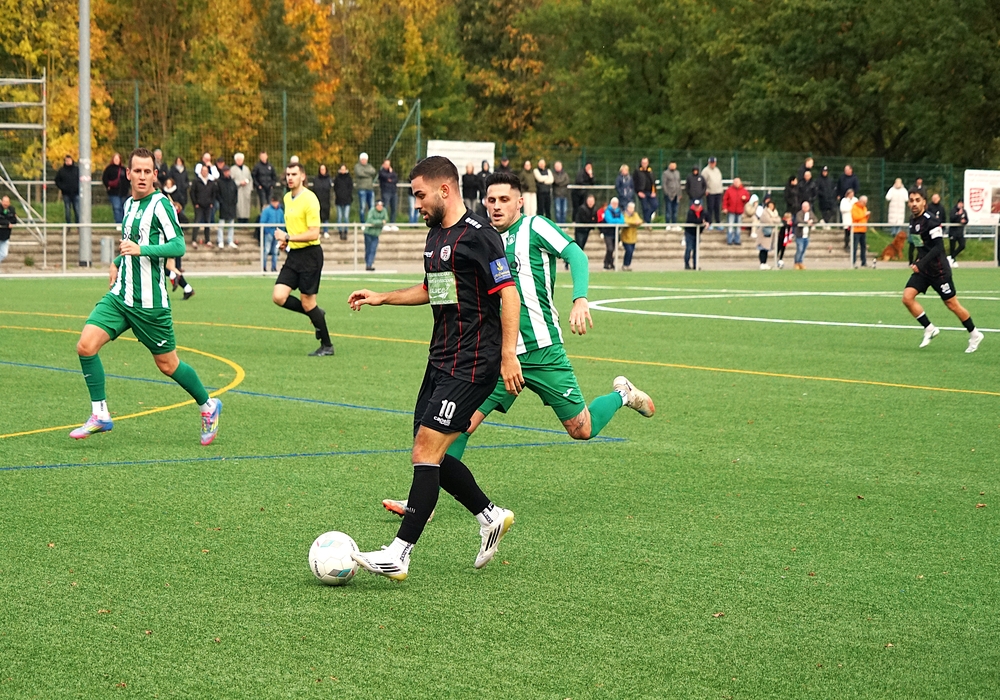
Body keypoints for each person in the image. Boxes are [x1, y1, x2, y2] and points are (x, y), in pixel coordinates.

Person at [381, 171, 654, 522]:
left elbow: (577, 256)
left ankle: (622, 394)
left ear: (520, 202)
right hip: (496, 354)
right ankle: (423, 502)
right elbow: (441, 289)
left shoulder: (535, 227)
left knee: (581, 428)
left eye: (504, 200)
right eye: (491, 200)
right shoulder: (479, 235)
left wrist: (580, 298)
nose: (496, 206)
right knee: (459, 424)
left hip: (542, 350)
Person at [346, 155, 523, 581]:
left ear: (445, 189)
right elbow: (433, 290)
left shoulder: (481, 235)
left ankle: (399, 553)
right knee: (429, 454)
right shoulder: (435, 235)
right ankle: (490, 515)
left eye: (420, 195)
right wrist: (382, 297)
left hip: (473, 361)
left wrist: (508, 355)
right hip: (441, 357)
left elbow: (509, 293)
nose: (416, 204)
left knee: (426, 451)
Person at [69, 147, 221, 445]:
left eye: (147, 171)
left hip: (150, 304)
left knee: (168, 365)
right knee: (85, 346)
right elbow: (131, 242)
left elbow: (178, 246)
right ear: (128, 174)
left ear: (154, 174)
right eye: (136, 170)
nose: (141, 176)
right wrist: (116, 262)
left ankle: (208, 405)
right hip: (120, 296)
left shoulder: (161, 204)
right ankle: (100, 414)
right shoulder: (129, 204)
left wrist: (142, 250)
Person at [902, 190, 983, 353]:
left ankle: (975, 334)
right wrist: (917, 261)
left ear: (924, 202)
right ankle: (929, 328)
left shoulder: (932, 221)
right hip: (924, 271)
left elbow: (938, 247)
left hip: (939, 271)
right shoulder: (912, 220)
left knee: (952, 304)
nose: (914, 203)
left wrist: (921, 263)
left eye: (917, 200)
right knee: (907, 298)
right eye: (911, 200)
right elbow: (921, 246)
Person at [272, 162, 334, 356]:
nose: (290, 178)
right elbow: (295, 228)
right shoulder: (287, 198)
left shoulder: (310, 199)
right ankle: (316, 314)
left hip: (310, 256)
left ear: (303, 177)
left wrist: (287, 237)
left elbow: (314, 233)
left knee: (307, 302)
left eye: (294, 174)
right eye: (288, 174)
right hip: (294, 255)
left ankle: (327, 345)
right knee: (278, 296)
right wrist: (286, 242)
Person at [166, 199, 195, 300]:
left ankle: (173, 276)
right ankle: (188, 289)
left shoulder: (170, 214)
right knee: (170, 267)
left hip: (170, 242)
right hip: (171, 242)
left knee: (163, 266)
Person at [189, 161, 218, 249]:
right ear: (201, 171)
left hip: (208, 205)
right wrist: (195, 203)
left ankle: (207, 240)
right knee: (197, 222)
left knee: (207, 223)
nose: (204, 172)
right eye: (203, 170)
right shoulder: (196, 181)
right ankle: (194, 240)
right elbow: (192, 192)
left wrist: (212, 203)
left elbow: (214, 193)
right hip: (199, 205)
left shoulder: (211, 182)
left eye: (206, 171)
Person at [259, 194, 284, 272]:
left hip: (277, 234)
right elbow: (262, 222)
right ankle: (264, 267)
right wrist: (267, 231)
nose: (275, 203)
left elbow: (282, 222)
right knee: (266, 250)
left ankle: (274, 267)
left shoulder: (280, 211)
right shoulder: (267, 210)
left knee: (275, 251)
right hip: (269, 233)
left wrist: (282, 233)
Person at [102, 153, 129, 224]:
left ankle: (123, 223)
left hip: (123, 192)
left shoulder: (123, 169)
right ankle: (118, 223)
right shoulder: (109, 169)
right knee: (116, 207)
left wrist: (127, 188)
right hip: (113, 192)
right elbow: (105, 178)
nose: (116, 160)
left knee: (123, 208)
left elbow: (128, 180)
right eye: (115, 159)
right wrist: (108, 185)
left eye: (118, 159)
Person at [684, 199, 710, 270]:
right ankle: (686, 264)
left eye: (698, 205)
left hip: (697, 234)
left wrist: (708, 223)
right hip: (689, 233)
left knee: (696, 250)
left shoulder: (704, 212)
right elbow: (692, 220)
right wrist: (702, 221)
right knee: (689, 248)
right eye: (695, 205)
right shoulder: (690, 212)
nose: (696, 207)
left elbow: (709, 219)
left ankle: (696, 265)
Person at [216, 166, 239, 248]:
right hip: (223, 206)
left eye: (228, 171)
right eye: (225, 171)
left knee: (231, 225)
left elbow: (235, 193)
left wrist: (234, 202)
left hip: (231, 206)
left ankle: (230, 241)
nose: (227, 173)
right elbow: (217, 193)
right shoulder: (219, 182)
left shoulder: (232, 182)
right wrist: (221, 202)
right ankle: (220, 241)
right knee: (221, 224)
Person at [723, 177, 750, 245]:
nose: (736, 183)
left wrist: (745, 198)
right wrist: (725, 208)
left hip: (739, 211)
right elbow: (725, 199)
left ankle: (737, 240)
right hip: (731, 210)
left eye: (738, 182)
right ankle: (729, 240)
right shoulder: (729, 190)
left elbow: (748, 198)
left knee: (738, 226)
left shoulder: (744, 190)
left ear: (740, 182)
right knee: (730, 226)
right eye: (735, 182)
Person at [55, 155, 80, 224]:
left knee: (77, 210)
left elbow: (81, 179)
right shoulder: (61, 170)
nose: (68, 162)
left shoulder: (77, 170)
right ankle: (68, 225)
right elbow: (57, 180)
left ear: (72, 161)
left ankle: (78, 225)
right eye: (66, 161)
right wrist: (62, 187)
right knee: (67, 211)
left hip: (76, 193)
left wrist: (78, 187)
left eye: (69, 160)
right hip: (66, 194)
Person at [602, 196, 625, 270]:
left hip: (616, 233)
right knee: (610, 249)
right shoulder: (607, 211)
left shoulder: (619, 211)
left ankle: (610, 264)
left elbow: (622, 221)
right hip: (608, 233)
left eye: (616, 203)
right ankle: (607, 263)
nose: (615, 205)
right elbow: (609, 221)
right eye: (614, 203)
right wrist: (617, 221)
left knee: (613, 249)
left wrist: (615, 221)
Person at [364, 199, 388, 271]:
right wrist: (380, 222)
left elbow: (386, 219)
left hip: (376, 234)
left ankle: (369, 265)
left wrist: (376, 223)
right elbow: (370, 220)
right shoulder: (372, 211)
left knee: (373, 249)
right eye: (379, 205)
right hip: (368, 233)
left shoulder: (384, 211)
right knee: (368, 249)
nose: (380, 207)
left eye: (381, 205)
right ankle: (367, 263)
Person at [231, 152, 253, 227]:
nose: (239, 161)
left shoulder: (246, 168)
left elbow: (250, 179)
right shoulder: (233, 169)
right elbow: (231, 181)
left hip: (246, 190)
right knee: (239, 206)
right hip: (238, 190)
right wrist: (239, 183)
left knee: (246, 206)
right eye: (238, 160)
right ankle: (239, 221)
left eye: (241, 160)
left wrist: (249, 188)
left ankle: (246, 221)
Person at [793, 201, 817, 269]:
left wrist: (811, 221)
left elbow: (815, 219)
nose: (805, 208)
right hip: (799, 236)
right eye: (804, 207)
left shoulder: (811, 213)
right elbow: (799, 220)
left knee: (803, 250)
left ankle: (801, 262)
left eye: (807, 207)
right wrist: (807, 222)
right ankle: (796, 262)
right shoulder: (799, 213)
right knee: (799, 249)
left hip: (807, 236)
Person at [758, 198, 781, 269]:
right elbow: (767, 220)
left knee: (767, 249)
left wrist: (773, 220)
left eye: (772, 205)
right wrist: (774, 220)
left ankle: (765, 263)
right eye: (770, 205)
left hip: (771, 234)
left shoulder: (775, 212)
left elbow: (778, 220)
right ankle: (762, 263)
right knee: (763, 249)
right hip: (764, 234)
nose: (771, 207)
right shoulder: (765, 212)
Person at [354, 152, 377, 223]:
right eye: (363, 159)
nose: (364, 161)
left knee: (372, 207)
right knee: (362, 207)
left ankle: (371, 222)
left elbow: (373, 171)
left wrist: (364, 171)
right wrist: (369, 174)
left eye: (365, 159)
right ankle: (362, 223)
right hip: (362, 189)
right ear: (360, 160)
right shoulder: (357, 166)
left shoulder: (369, 166)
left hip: (370, 189)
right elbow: (359, 173)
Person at [312, 164, 332, 238]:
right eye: (321, 169)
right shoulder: (316, 179)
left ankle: (326, 231)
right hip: (317, 201)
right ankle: (318, 232)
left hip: (326, 201)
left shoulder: (328, 179)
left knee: (326, 217)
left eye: (323, 169)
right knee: (317, 217)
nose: (322, 171)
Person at [635, 157, 658, 223]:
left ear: (648, 163)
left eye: (645, 163)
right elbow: (635, 182)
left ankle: (646, 219)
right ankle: (647, 223)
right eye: (643, 163)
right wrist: (638, 191)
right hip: (642, 192)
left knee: (655, 205)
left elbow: (653, 181)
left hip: (651, 192)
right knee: (645, 208)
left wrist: (654, 191)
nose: (644, 164)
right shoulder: (637, 171)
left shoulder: (650, 171)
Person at [740, 193, 761, 265]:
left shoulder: (757, 206)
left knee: (758, 220)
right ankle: (753, 232)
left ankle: (758, 231)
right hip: (746, 219)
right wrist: (755, 207)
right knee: (754, 219)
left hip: (753, 218)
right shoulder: (748, 205)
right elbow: (750, 213)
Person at [333, 164, 353, 240]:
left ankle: (346, 231)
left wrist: (347, 195)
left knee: (346, 217)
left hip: (347, 201)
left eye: (344, 169)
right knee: (339, 217)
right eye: (342, 169)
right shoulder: (337, 178)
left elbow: (350, 188)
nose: (343, 171)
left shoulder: (349, 178)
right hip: (339, 200)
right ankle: (340, 231)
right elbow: (335, 188)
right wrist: (338, 195)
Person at [621, 201, 642, 271]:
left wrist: (636, 222)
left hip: (633, 237)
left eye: (633, 208)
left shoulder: (635, 214)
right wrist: (634, 223)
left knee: (631, 251)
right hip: (626, 237)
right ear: (628, 208)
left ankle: (628, 265)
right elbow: (626, 221)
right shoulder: (624, 214)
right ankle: (625, 264)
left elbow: (640, 220)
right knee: (629, 250)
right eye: (630, 208)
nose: (632, 209)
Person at [851, 195, 871, 267]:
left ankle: (863, 262)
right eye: (864, 202)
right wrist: (864, 214)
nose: (865, 204)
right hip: (856, 230)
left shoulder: (864, 208)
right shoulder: (854, 207)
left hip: (863, 230)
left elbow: (864, 218)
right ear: (860, 201)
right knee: (855, 247)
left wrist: (867, 216)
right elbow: (855, 217)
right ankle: (853, 262)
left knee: (863, 247)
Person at [703, 156, 724, 224]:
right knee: (710, 208)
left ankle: (718, 222)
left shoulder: (717, 170)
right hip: (710, 192)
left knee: (717, 208)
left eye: (713, 162)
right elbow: (703, 181)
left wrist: (721, 189)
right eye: (711, 162)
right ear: (709, 162)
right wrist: (705, 190)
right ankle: (709, 222)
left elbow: (719, 180)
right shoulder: (705, 171)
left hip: (718, 192)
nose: (712, 164)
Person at [378, 158, 399, 225]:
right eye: (386, 164)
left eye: (388, 164)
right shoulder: (381, 172)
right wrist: (391, 175)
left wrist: (391, 177)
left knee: (394, 208)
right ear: (383, 164)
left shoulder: (392, 171)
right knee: (385, 208)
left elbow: (396, 179)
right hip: (386, 192)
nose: (387, 166)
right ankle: (384, 223)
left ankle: (392, 223)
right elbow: (385, 177)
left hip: (393, 192)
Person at [949, 199, 968, 267]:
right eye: (960, 203)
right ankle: (953, 261)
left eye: (962, 203)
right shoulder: (953, 210)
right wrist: (958, 214)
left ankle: (951, 257)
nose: (961, 205)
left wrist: (964, 221)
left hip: (960, 232)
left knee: (962, 245)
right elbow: (951, 219)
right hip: (953, 232)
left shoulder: (964, 211)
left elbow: (967, 220)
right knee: (952, 247)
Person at [840, 187, 858, 252]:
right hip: (847, 219)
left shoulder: (855, 200)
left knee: (854, 234)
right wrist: (851, 209)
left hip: (854, 219)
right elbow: (842, 209)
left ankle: (853, 245)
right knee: (847, 233)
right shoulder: (844, 200)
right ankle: (846, 245)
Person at [0, 196, 15, 270]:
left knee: (4, 254)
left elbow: (14, 220)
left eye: (7, 202)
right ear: (1, 202)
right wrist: (7, 222)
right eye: (4, 202)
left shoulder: (11, 209)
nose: (5, 204)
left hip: (5, 236)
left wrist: (8, 222)